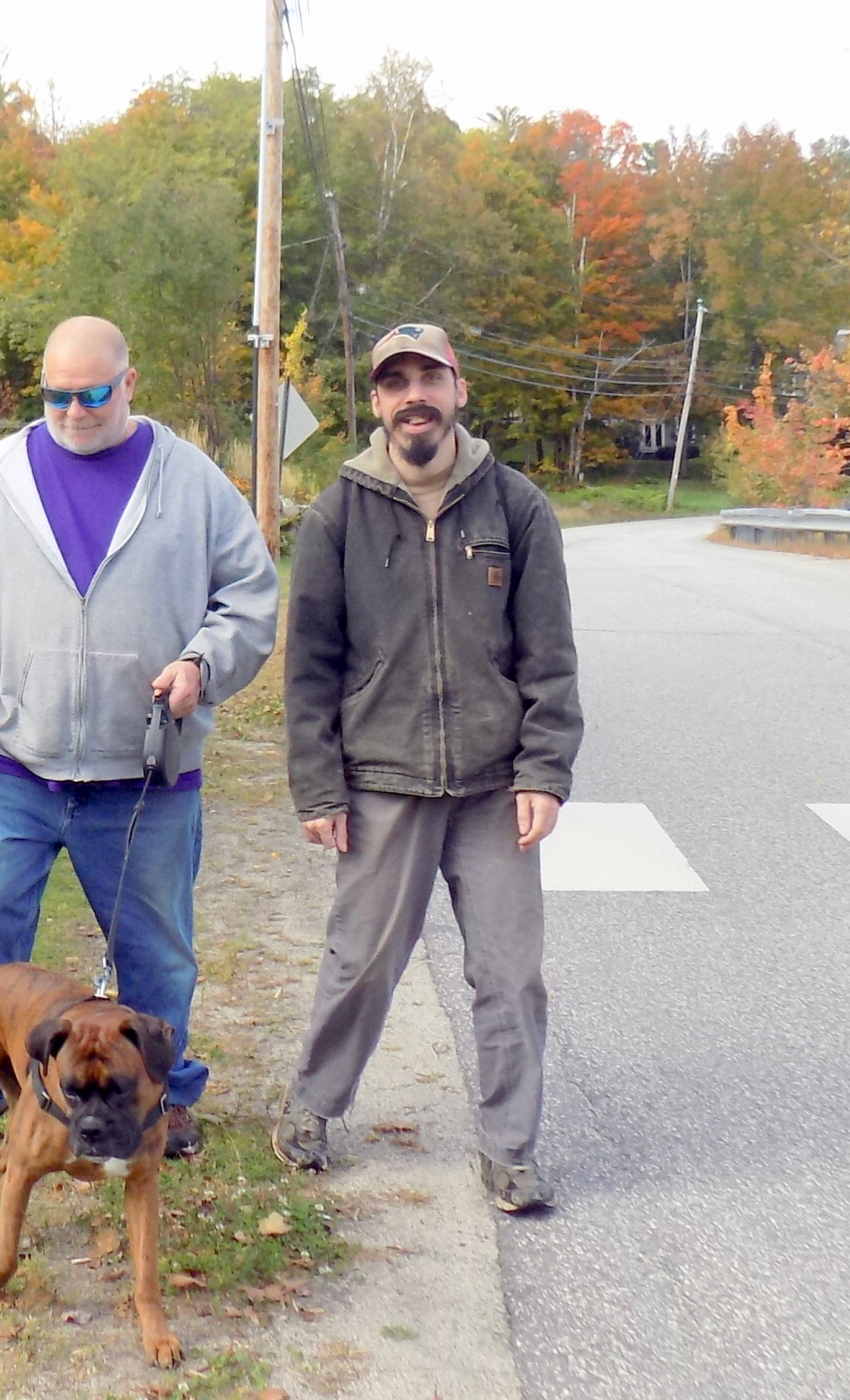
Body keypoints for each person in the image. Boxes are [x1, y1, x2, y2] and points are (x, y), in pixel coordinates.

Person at [0, 315, 279, 1158]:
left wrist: (203, 663)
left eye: (93, 394)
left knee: (156, 956)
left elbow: (251, 598)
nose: (73, 411)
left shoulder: (189, 482)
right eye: (56, 395)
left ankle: (161, 1102)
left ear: (129, 384)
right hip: (12, 764)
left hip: (143, 774)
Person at [274, 324, 582, 1211]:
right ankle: (311, 1106)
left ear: (458, 390)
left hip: (494, 787)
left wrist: (543, 770)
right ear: (376, 401)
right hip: (381, 779)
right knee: (361, 962)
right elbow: (309, 668)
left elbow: (549, 655)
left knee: (509, 975)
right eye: (396, 382)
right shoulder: (338, 513)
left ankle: (509, 1150)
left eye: (429, 378)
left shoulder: (515, 507)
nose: (414, 395)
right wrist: (318, 785)